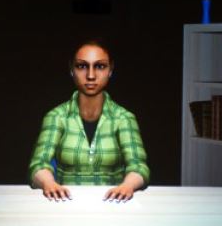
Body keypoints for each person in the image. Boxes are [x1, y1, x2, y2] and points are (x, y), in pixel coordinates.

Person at [28, 40, 150, 202]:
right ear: (71, 69)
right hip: (65, 203)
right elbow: (38, 164)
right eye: (82, 66)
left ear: (110, 70)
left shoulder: (124, 118)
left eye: (100, 66)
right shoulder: (56, 117)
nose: (91, 76)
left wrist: (127, 186)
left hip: (113, 204)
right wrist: (48, 183)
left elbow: (138, 166)